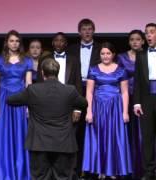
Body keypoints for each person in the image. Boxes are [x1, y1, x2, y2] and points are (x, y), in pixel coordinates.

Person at [7, 58, 87, 180]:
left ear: (42, 73)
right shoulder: (70, 90)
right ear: (58, 72)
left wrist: (28, 99)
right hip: (63, 143)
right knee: (63, 177)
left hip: (39, 143)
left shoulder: (33, 90)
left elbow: (10, 100)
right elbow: (84, 103)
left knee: (40, 177)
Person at [83, 42, 132, 179]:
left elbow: (125, 93)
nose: (105, 56)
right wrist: (89, 111)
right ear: (99, 55)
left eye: (108, 53)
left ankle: (113, 170)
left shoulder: (121, 70)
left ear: (113, 54)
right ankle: (101, 170)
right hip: (98, 107)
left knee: (114, 137)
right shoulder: (93, 69)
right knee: (99, 137)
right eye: (103, 53)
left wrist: (125, 112)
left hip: (115, 108)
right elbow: (89, 92)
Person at [0, 30, 32, 180]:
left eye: (17, 41)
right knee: (4, 135)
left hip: (20, 99)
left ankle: (20, 173)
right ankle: (3, 173)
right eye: (12, 41)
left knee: (20, 135)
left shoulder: (27, 61)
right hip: (4, 99)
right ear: (6, 42)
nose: (14, 44)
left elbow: (28, 84)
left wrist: (28, 106)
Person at [67, 19, 101, 177]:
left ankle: (94, 170)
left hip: (96, 92)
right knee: (74, 132)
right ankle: (74, 170)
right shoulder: (71, 49)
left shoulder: (102, 49)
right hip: (75, 91)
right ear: (79, 32)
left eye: (90, 29)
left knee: (95, 130)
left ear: (94, 31)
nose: (87, 32)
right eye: (84, 29)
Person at [117, 29, 145, 178]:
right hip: (126, 99)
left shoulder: (148, 55)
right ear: (129, 42)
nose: (135, 42)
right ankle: (128, 169)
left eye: (138, 39)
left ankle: (144, 169)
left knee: (143, 134)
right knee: (128, 134)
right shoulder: (121, 57)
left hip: (144, 99)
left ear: (143, 41)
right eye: (132, 39)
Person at [133, 23, 156, 180]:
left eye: (152, 32)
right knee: (147, 137)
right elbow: (137, 80)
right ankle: (149, 171)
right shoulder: (141, 55)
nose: (148, 35)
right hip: (147, 99)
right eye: (146, 33)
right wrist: (137, 102)